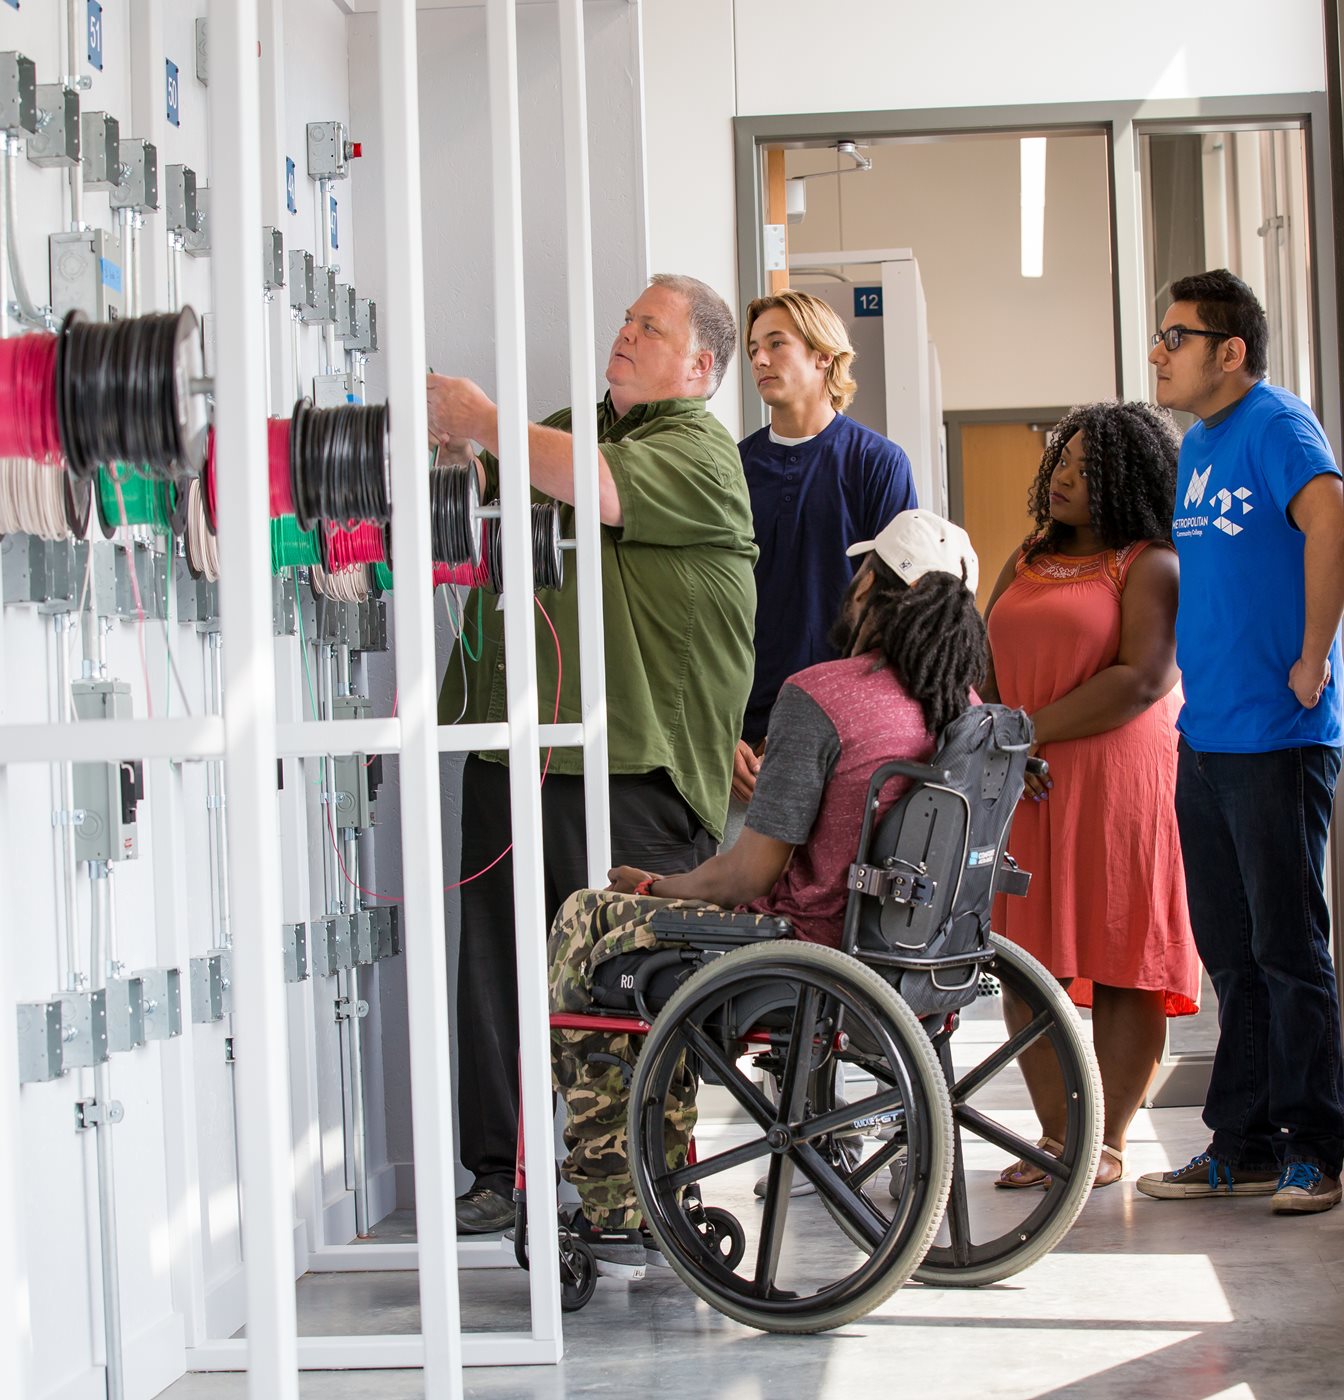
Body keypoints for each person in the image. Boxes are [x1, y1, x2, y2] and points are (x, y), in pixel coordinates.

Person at [547, 509, 986, 1265]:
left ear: (874, 590)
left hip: (798, 953)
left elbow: (748, 874)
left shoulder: (822, 697)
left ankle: (618, 1195)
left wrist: (656, 883)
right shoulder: (964, 711)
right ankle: (648, 1179)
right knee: (621, 932)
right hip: (909, 952)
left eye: (862, 575)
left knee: (591, 925)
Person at [427, 274, 758, 1236]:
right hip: (523, 748)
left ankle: (638, 1188)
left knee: (616, 990)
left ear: (700, 368)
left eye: (648, 329)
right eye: (625, 321)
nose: (624, 334)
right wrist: (459, 447)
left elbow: (594, 489)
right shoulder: (580, 428)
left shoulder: (698, 453)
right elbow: (499, 481)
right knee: (495, 964)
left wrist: (486, 420)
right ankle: (502, 1172)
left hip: (632, 769)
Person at [1131, 268, 1344, 1215]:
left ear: (1231, 351)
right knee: (1230, 951)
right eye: (1159, 337)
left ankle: (1315, 1149)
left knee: (1289, 950)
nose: (1159, 354)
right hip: (1207, 735)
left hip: (1276, 734)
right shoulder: (1198, 448)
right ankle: (1242, 1143)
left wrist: (1314, 655)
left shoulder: (1278, 426)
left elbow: (1329, 518)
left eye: (1176, 338)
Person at [982, 402, 1198, 1193]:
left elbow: (1143, 678)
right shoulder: (1031, 554)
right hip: (1027, 781)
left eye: (1086, 464)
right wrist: (998, 732)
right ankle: (1054, 1136)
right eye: (1061, 459)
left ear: (1128, 478)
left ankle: (1106, 1141)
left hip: (1119, 779)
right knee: (1022, 960)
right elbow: (986, 650)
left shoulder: (1151, 563)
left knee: (1121, 957)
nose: (1065, 474)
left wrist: (1026, 730)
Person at [734, 290, 917, 822]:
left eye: (775, 344)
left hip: (845, 734)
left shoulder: (878, 464)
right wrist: (724, 733)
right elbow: (707, 614)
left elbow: (899, 611)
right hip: (743, 745)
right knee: (740, 899)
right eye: (752, 349)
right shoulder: (733, 467)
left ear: (823, 356)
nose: (760, 360)